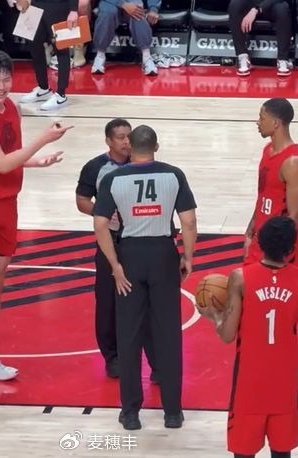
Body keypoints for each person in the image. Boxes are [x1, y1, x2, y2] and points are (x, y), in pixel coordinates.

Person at [0, 50, 71, 382]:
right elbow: (0, 164)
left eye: (6, 79)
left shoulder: (12, 107)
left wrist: (37, 161)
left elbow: (9, 156)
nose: (1, 86)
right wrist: (42, 140)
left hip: (8, 203)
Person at [197, 216, 298, 458]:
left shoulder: (240, 278)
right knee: (282, 452)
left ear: (260, 243)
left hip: (250, 380)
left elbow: (227, 335)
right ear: (292, 248)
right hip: (285, 379)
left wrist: (215, 316)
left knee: (243, 452)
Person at [93, 125, 197, 430]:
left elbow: (100, 225)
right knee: (168, 334)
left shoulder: (114, 179)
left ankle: (130, 413)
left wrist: (115, 265)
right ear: (156, 146)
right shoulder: (174, 175)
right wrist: (187, 257)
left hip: (130, 256)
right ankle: (173, 412)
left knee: (128, 335)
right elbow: (189, 222)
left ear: (130, 147)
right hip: (163, 254)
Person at [75, 118, 157, 381]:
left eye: (128, 136)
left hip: (141, 237)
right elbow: (81, 201)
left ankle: (155, 359)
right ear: (108, 141)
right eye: (120, 137)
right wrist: (102, 213)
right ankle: (113, 357)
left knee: (146, 300)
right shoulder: (95, 167)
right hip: (110, 239)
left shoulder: (143, 162)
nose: (126, 142)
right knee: (108, 301)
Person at [244, 98, 298, 389]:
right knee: (254, 305)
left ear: (276, 123)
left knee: (280, 306)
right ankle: (265, 361)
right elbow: (264, 195)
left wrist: (276, 255)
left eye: (261, 117)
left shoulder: (294, 162)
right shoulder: (267, 150)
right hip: (261, 238)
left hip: (281, 246)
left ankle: (295, 369)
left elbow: (294, 217)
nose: (257, 122)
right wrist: (251, 226)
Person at [17, 0, 78, 110]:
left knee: (61, 48)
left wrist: (74, 9)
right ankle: (43, 88)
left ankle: (61, 95)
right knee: (34, 46)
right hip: (34, 4)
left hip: (58, 6)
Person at [91, 0, 160, 76]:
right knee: (108, 12)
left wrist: (153, 9)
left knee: (137, 11)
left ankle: (146, 57)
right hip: (110, 2)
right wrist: (123, 4)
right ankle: (100, 55)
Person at [228, 0, 293, 76]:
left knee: (282, 8)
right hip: (250, 4)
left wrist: (257, 9)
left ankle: (283, 59)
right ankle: (242, 56)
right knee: (235, 4)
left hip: (270, 5)